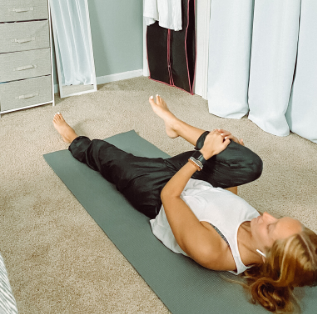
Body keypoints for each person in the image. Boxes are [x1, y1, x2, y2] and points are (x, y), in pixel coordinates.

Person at [53, 95, 317, 313]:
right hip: (194, 178)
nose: (267, 215)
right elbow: (225, 199)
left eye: (271, 227)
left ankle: (74, 141)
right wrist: (229, 164)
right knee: (249, 164)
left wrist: (204, 155)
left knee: (105, 154)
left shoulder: (214, 252)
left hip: (155, 190)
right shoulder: (257, 230)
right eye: (278, 219)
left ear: (267, 256)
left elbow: (170, 196)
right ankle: (174, 125)